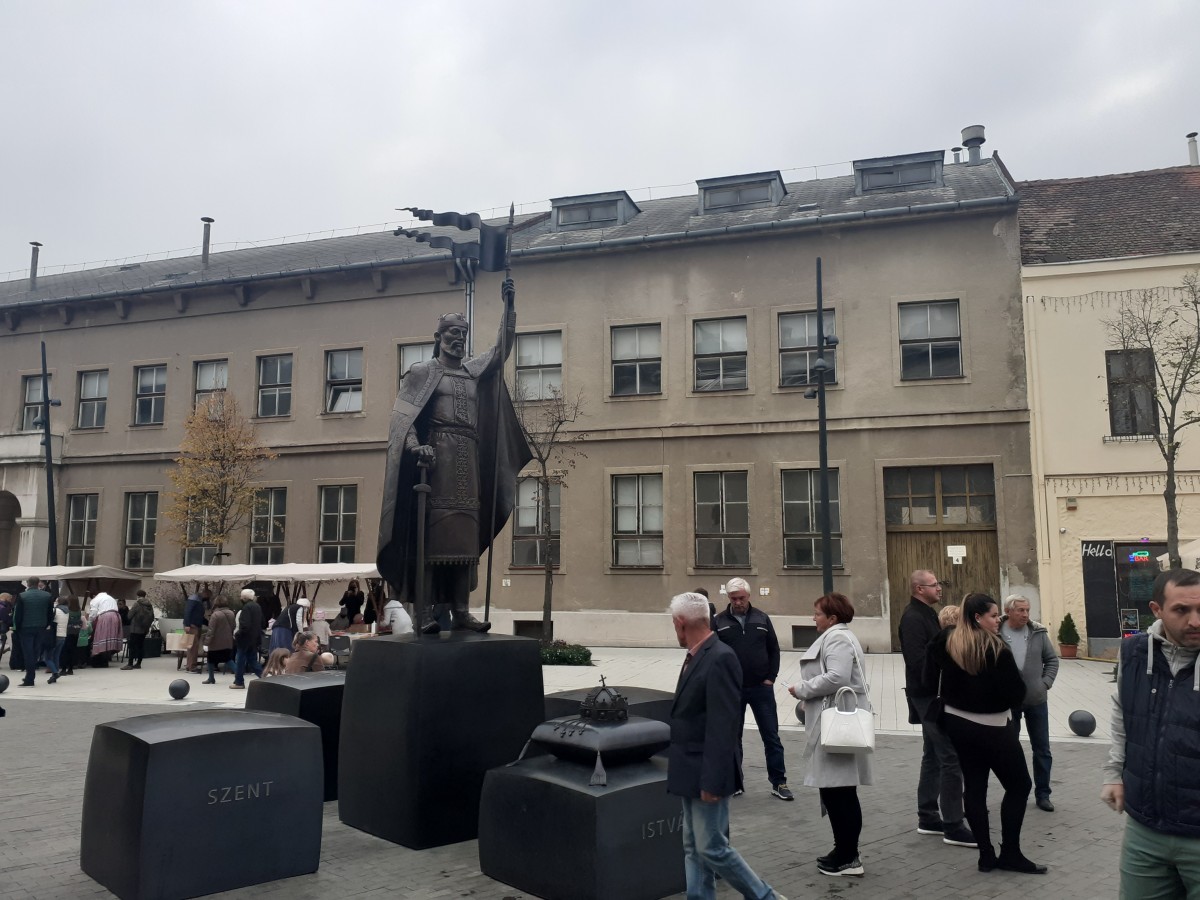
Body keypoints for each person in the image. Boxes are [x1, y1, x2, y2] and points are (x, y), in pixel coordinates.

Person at [376, 280, 532, 635]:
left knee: (465, 540)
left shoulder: (472, 371)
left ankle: (461, 610)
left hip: (468, 458)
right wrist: (415, 447)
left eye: (463, 333)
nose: (458, 338)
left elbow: (501, 349)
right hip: (437, 461)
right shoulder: (421, 372)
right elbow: (403, 420)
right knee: (432, 541)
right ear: (439, 336)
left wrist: (509, 308)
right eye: (452, 333)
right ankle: (424, 612)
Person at [667, 591, 786, 900]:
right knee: (693, 846)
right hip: (690, 767)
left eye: (673, 623)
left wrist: (713, 780)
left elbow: (724, 726)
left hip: (707, 770)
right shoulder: (697, 654)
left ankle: (765, 896)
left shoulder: (720, 657)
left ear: (680, 622)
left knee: (713, 847)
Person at [925, 592, 1044, 875]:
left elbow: (927, 679)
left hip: (957, 724)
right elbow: (1015, 693)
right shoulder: (996, 647)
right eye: (993, 615)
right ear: (977, 617)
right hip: (994, 727)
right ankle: (1011, 853)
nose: (997, 620)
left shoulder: (946, 641)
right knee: (1019, 785)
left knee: (975, 786)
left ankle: (986, 855)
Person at [1102, 568, 1200, 898]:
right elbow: (1123, 713)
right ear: (1157, 610)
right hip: (1145, 831)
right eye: (1182, 610)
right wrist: (1113, 774)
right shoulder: (1134, 653)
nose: (1195, 621)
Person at [787, 593, 872, 877]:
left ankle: (848, 856)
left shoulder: (837, 639)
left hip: (837, 724)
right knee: (837, 791)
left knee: (839, 792)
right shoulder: (838, 636)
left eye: (817, 613)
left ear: (832, 618)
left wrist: (803, 689)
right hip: (835, 721)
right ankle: (844, 850)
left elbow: (838, 676)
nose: (813, 618)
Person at [898, 569, 973, 848]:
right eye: (933, 585)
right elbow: (918, 661)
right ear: (919, 589)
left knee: (932, 755)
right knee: (950, 757)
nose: (939, 588)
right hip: (929, 696)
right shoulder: (913, 618)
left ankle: (928, 817)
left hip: (933, 694)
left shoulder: (928, 614)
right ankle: (953, 824)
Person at [712, 577, 792, 801]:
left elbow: (774, 649)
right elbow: (713, 654)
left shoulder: (762, 618)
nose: (738, 602)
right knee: (732, 738)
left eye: (741, 598)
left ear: (748, 596)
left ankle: (779, 782)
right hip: (732, 690)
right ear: (728, 598)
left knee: (771, 736)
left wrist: (771, 678)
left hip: (761, 689)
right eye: (734, 598)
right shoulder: (718, 621)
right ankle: (735, 782)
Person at [1000, 594, 1059, 813]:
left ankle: (1043, 794)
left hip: (1036, 700)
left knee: (1042, 749)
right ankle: (1015, 791)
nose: (1025, 614)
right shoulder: (996, 633)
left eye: (1027, 610)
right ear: (1008, 611)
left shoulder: (1038, 632)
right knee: (1010, 749)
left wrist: (1045, 683)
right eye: (1020, 610)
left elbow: (1052, 660)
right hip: (1008, 703)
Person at [13, 579, 53, 686]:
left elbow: (18, 614)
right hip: (41, 627)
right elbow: (50, 613)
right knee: (35, 652)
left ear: (28, 584)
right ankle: (30, 675)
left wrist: (17, 628)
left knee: (28, 653)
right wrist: (45, 625)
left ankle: (30, 678)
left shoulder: (22, 596)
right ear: (38, 583)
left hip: (26, 627)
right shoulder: (47, 596)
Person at [230, 588, 265, 690]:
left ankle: (239, 682)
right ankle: (265, 677)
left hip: (244, 639)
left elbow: (245, 625)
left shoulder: (246, 608)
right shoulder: (257, 606)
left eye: (241, 597)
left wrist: (237, 634)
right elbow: (263, 622)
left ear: (244, 598)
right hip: (254, 638)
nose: (240, 598)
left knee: (240, 661)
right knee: (252, 660)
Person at [202, 595, 235, 684]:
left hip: (215, 642)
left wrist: (206, 643)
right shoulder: (231, 613)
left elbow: (211, 630)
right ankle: (238, 675)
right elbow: (233, 626)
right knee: (228, 659)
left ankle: (211, 678)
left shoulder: (215, 615)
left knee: (210, 659)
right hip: (228, 640)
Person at [88, 592, 124, 666]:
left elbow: (93, 613)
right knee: (110, 639)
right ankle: (106, 659)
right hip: (116, 616)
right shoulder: (111, 598)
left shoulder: (95, 600)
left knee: (101, 637)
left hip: (105, 617)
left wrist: (89, 621)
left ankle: (100, 659)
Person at [122, 591, 155, 670]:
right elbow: (152, 616)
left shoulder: (137, 604)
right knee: (140, 646)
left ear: (137, 596)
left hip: (135, 628)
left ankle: (130, 664)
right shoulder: (149, 605)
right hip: (144, 628)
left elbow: (129, 615)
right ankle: (138, 663)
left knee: (132, 646)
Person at [183, 587, 209, 673]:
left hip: (193, 625)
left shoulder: (196, 600)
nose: (208, 599)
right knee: (193, 646)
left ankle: (189, 665)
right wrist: (187, 624)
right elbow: (188, 612)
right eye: (208, 596)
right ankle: (192, 667)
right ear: (205, 594)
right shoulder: (195, 600)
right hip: (192, 626)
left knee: (191, 646)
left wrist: (208, 623)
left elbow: (193, 613)